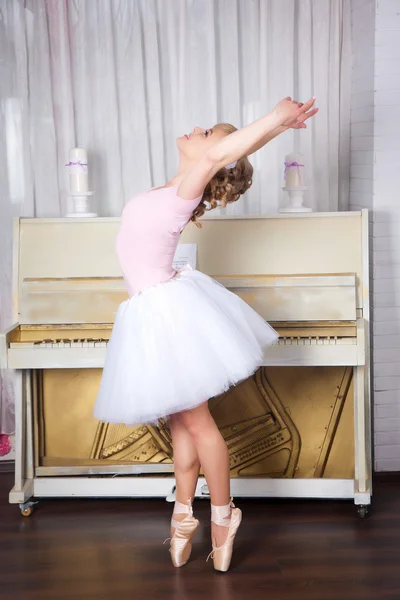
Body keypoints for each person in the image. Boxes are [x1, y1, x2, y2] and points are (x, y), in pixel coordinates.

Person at [94, 97, 318, 572]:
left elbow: (224, 154)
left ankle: (222, 518)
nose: (194, 130)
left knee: (197, 424)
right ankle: (183, 512)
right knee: (181, 424)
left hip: (166, 316)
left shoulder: (189, 188)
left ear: (213, 157)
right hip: (154, 312)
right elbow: (228, 153)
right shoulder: (175, 184)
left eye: (206, 135)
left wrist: (277, 119)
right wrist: (273, 132)